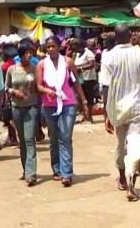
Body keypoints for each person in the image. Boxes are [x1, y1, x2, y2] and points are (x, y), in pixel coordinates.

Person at [101, 25, 140, 201]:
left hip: (116, 107)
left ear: (115, 36)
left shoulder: (108, 57)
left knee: (121, 143)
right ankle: (131, 186)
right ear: (131, 36)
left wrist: (106, 114)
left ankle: (122, 179)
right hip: (138, 106)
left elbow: (105, 87)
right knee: (134, 146)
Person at [35, 36, 89, 187]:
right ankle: (57, 169)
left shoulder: (68, 62)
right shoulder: (41, 65)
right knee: (53, 138)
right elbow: (38, 86)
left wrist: (84, 101)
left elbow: (76, 82)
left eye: (53, 46)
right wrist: (47, 91)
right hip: (50, 105)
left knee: (65, 137)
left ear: (59, 47)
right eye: (48, 47)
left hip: (68, 104)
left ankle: (66, 173)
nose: (51, 49)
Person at [6, 42, 39, 186]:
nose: (29, 55)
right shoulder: (11, 69)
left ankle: (31, 173)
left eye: (31, 52)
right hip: (16, 108)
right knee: (22, 141)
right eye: (27, 52)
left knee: (30, 138)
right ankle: (25, 170)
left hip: (31, 107)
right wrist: (13, 91)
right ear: (21, 54)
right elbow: (5, 86)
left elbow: (39, 87)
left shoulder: (35, 68)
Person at [74, 38, 98, 123]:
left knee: (89, 98)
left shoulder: (89, 53)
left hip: (89, 79)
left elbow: (91, 64)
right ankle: (84, 115)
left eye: (76, 46)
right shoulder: (77, 54)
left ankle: (90, 116)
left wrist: (80, 68)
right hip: (80, 79)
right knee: (81, 98)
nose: (75, 49)